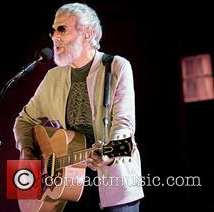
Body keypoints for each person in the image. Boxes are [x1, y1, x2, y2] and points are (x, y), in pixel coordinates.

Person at [13, 2, 144, 212]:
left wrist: (108, 154)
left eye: (62, 29)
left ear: (88, 32)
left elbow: (124, 127)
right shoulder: (53, 77)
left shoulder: (116, 67)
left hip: (114, 189)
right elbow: (24, 120)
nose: (55, 36)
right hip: (68, 191)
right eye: (53, 30)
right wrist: (28, 152)